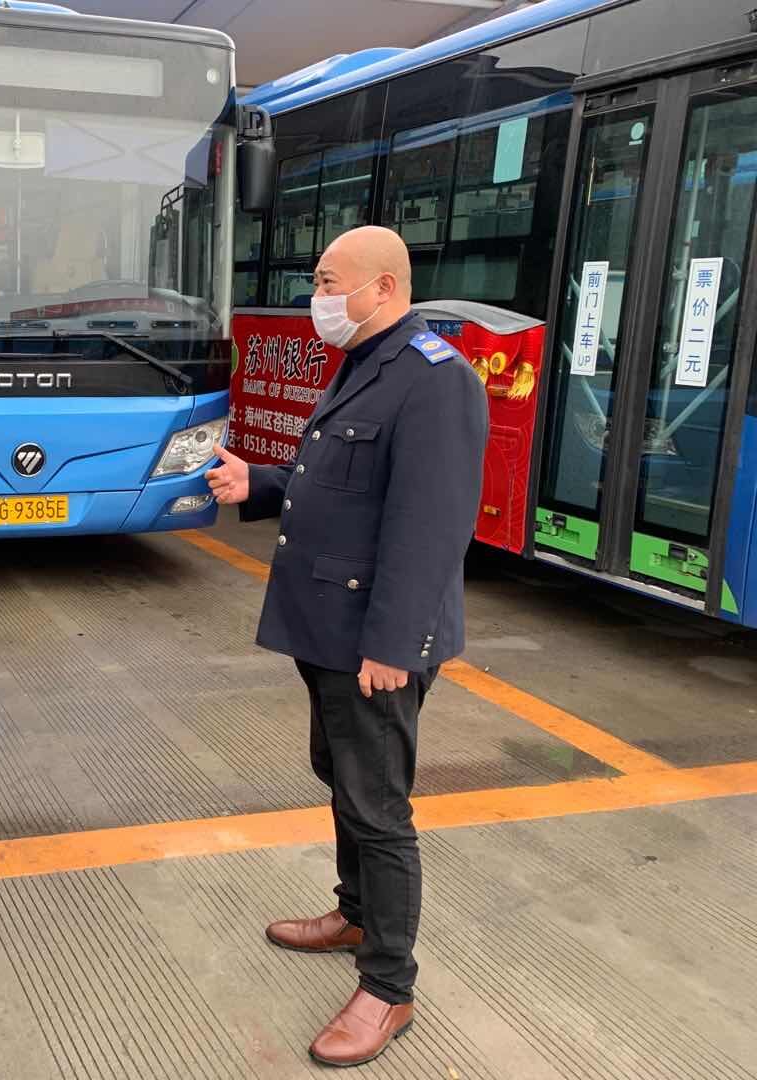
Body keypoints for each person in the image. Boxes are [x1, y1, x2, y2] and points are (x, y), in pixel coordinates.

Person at [206, 226, 487, 1067]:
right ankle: (355, 914)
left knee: (378, 807)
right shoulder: (364, 362)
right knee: (342, 779)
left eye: (330, 282)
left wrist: (394, 645)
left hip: (375, 639)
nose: (317, 297)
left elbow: (428, 529)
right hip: (327, 627)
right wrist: (258, 484)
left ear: (384, 287)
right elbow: (339, 488)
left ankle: (388, 987)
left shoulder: (434, 379)